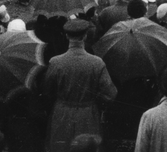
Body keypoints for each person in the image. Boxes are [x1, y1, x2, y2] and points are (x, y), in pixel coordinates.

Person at [43, 19, 117, 152]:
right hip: (88, 113)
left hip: (62, 113)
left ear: (66, 36)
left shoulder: (55, 62)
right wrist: (97, 98)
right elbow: (111, 93)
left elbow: (47, 90)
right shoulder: (97, 63)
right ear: (85, 36)